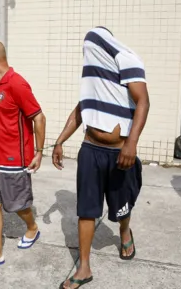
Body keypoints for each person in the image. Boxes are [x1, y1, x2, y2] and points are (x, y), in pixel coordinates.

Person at [52, 26, 150, 289]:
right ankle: (84, 267)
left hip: (120, 153)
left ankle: (124, 230)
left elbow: (143, 101)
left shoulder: (127, 59)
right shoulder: (91, 79)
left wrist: (131, 144)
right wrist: (59, 141)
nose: (89, 51)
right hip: (90, 151)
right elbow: (80, 111)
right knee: (86, 209)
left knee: (121, 206)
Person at [0, 39, 47, 271]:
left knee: (17, 205)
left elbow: (39, 117)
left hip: (13, 159)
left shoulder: (17, 84)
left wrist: (39, 152)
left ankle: (32, 228)